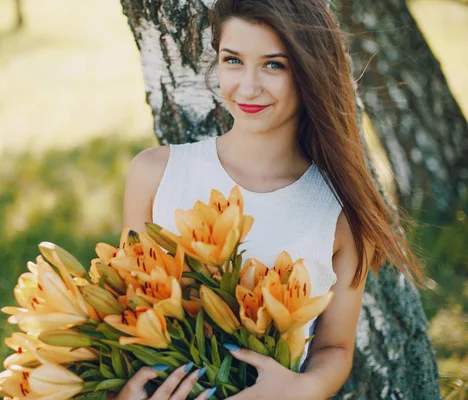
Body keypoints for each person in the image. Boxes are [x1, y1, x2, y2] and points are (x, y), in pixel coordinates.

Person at [115, 0, 423, 399]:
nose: (247, 86)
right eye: (233, 60)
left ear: (310, 71)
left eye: (273, 65)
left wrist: (301, 389)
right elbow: (126, 305)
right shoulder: (155, 174)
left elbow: (335, 347)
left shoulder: (340, 212)